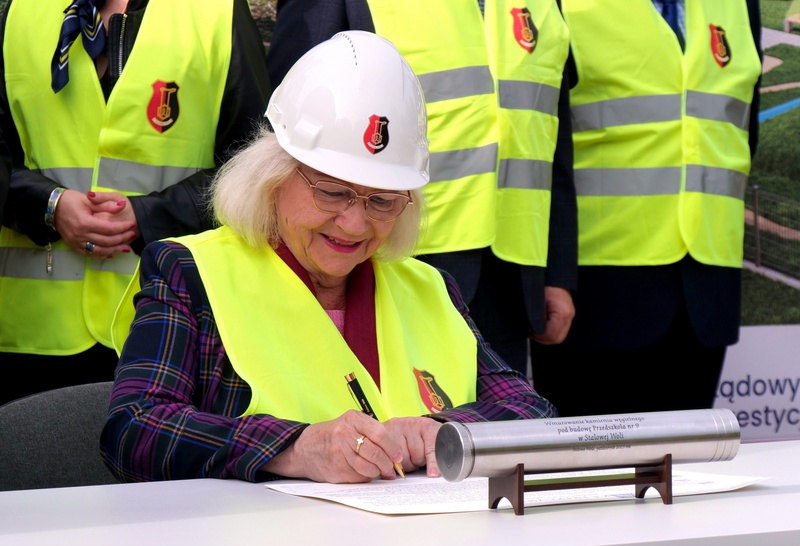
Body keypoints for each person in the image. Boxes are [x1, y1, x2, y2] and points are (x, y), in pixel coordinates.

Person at [100, 31, 556, 484]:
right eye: (332, 192)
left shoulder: (430, 288)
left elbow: (532, 411)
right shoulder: (191, 274)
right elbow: (134, 430)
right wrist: (293, 448)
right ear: (272, 177)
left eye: (382, 201)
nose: (354, 225)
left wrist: (444, 429)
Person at [266, 0, 578, 376]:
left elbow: (551, 135)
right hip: (380, 268)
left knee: (500, 410)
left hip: (511, 280)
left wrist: (557, 273)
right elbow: (286, 133)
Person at [0, 0, 272, 405]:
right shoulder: (18, 12)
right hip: (32, 334)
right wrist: (49, 204)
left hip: (169, 329)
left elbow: (255, 168)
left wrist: (147, 216)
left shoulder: (217, 11)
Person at [529, 0, 763, 416]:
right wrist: (552, 274)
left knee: (690, 459)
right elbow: (538, 138)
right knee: (587, 457)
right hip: (593, 289)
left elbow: (742, 132)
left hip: (706, 291)